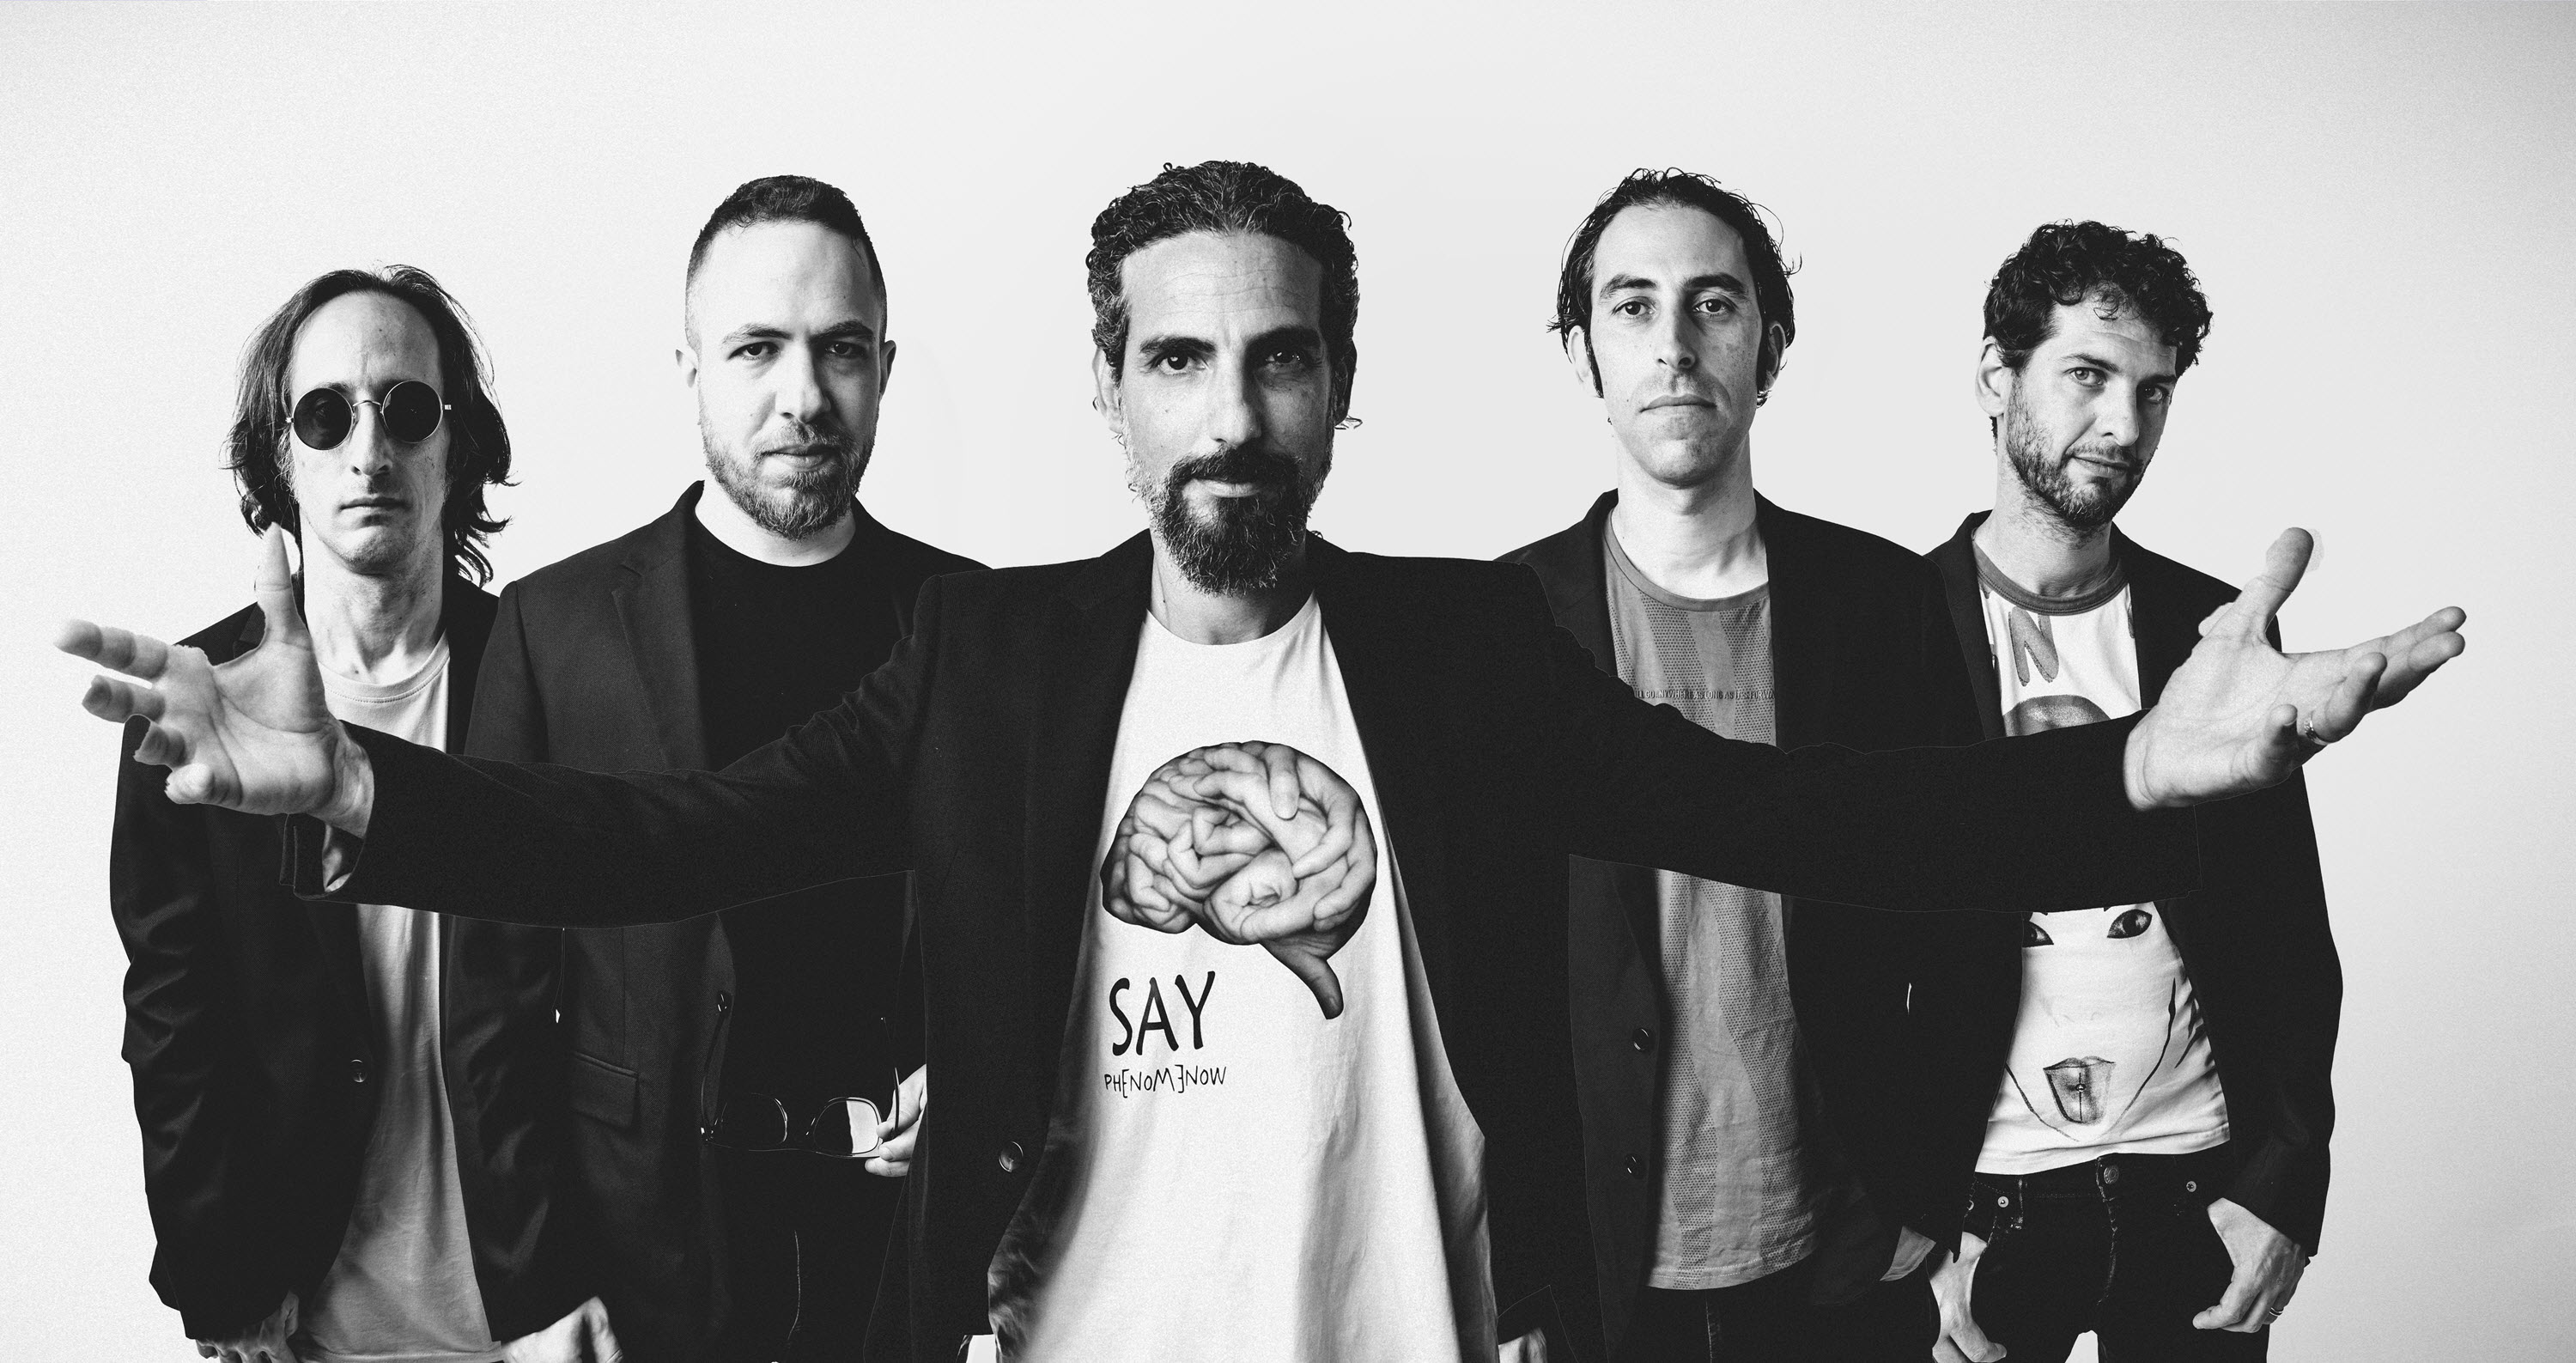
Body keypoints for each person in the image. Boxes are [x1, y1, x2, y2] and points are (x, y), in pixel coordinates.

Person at [61, 162, 2463, 1363]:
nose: (1231, 410)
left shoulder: (1457, 652)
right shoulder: (991, 658)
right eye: (1179, 359)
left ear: (1339, 387)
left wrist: (2133, 777)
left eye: (1279, 357)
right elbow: (668, 836)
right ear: (1110, 394)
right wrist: (365, 797)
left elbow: (1779, 810)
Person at [456, 176, 969, 1361]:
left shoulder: (976, 625)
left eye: (842, 349)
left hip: (895, 1260)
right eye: (756, 349)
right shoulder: (555, 628)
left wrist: (978, 1080)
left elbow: (1032, 936)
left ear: (885, 367)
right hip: (641, 1255)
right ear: (690, 369)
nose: (805, 395)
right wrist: (534, 1283)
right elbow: (491, 998)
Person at [1502, 170, 1975, 1360]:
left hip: (1842, 1254)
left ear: (1770, 347)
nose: (1673, 345)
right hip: (1598, 1271)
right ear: (1582, 354)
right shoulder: (1503, 623)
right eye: (1631, 306)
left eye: (1713, 304)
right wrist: (1516, 1273)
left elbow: (1967, 902)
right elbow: (1477, 971)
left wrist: (1925, 1196)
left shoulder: (1883, 603)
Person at [103, 266, 617, 1363]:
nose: (369, 451)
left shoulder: (556, 683)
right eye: (326, 416)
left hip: (544, 1313)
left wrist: (599, 1269)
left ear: (456, 447)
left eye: (408, 409)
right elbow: (174, 1027)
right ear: (279, 456)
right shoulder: (197, 709)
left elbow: (631, 993)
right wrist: (221, 1280)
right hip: (299, 1316)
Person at [1908, 222, 2338, 1363]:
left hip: (2195, 1194)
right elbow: (1833, 964)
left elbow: (2288, 929)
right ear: (1997, 377)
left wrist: (2284, 1184)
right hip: (1980, 1213)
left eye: (2154, 391)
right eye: (2087, 375)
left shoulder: (2212, 630)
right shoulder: (1887, 628)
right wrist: (1901, 1237)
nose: (2124, 424)